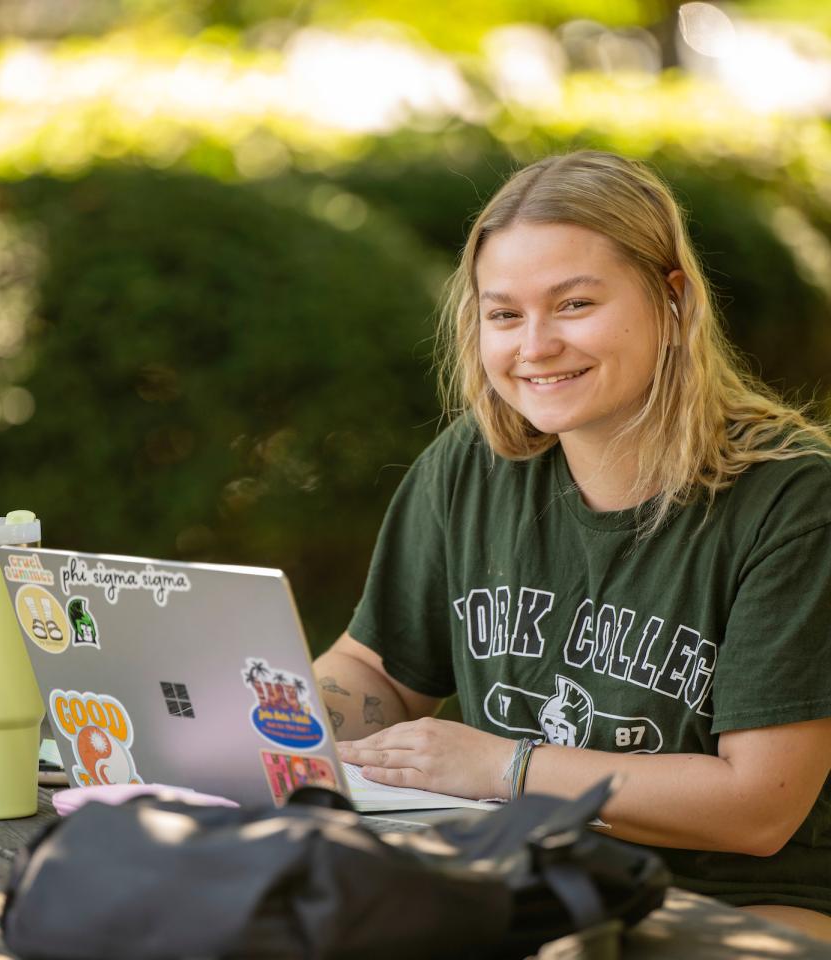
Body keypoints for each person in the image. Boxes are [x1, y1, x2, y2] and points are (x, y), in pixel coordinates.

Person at [313, 150, 831, 940]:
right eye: (505, 314)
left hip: (740, 905)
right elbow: (378, 668)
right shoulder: (473, 464)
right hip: (523, 875)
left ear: (674, 299)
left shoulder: (796, 501)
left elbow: (756, 807)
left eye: (575, 303)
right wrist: (279, 713)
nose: (537, 345)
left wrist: (502, 768)